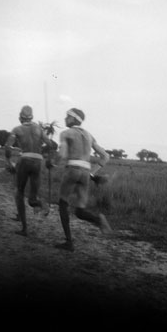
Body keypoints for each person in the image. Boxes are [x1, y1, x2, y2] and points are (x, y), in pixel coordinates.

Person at [52, 108, 112, 252]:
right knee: (80, 211)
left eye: (67, 117)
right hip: (85, 174)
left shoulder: (66, 133)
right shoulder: (89, 135)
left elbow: (62, 154)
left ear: (74, 119)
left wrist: (52, 162)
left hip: (72, 170)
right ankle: (98, 220)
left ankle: (69, 242)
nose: (65, 119)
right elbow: (105, 156)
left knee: (62, 203)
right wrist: (92, 172)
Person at [5, 105, 53, 236]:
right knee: (32, 198)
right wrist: (48, 159)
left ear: (20, 117)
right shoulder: (39, 129)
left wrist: (9, 162)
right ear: (32, 117)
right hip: (38, 162)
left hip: (25, 160)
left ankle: (24, 228)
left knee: (19, 193)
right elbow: (50, 144)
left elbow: (7, 147)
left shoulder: (17, 129)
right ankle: (41, 204)